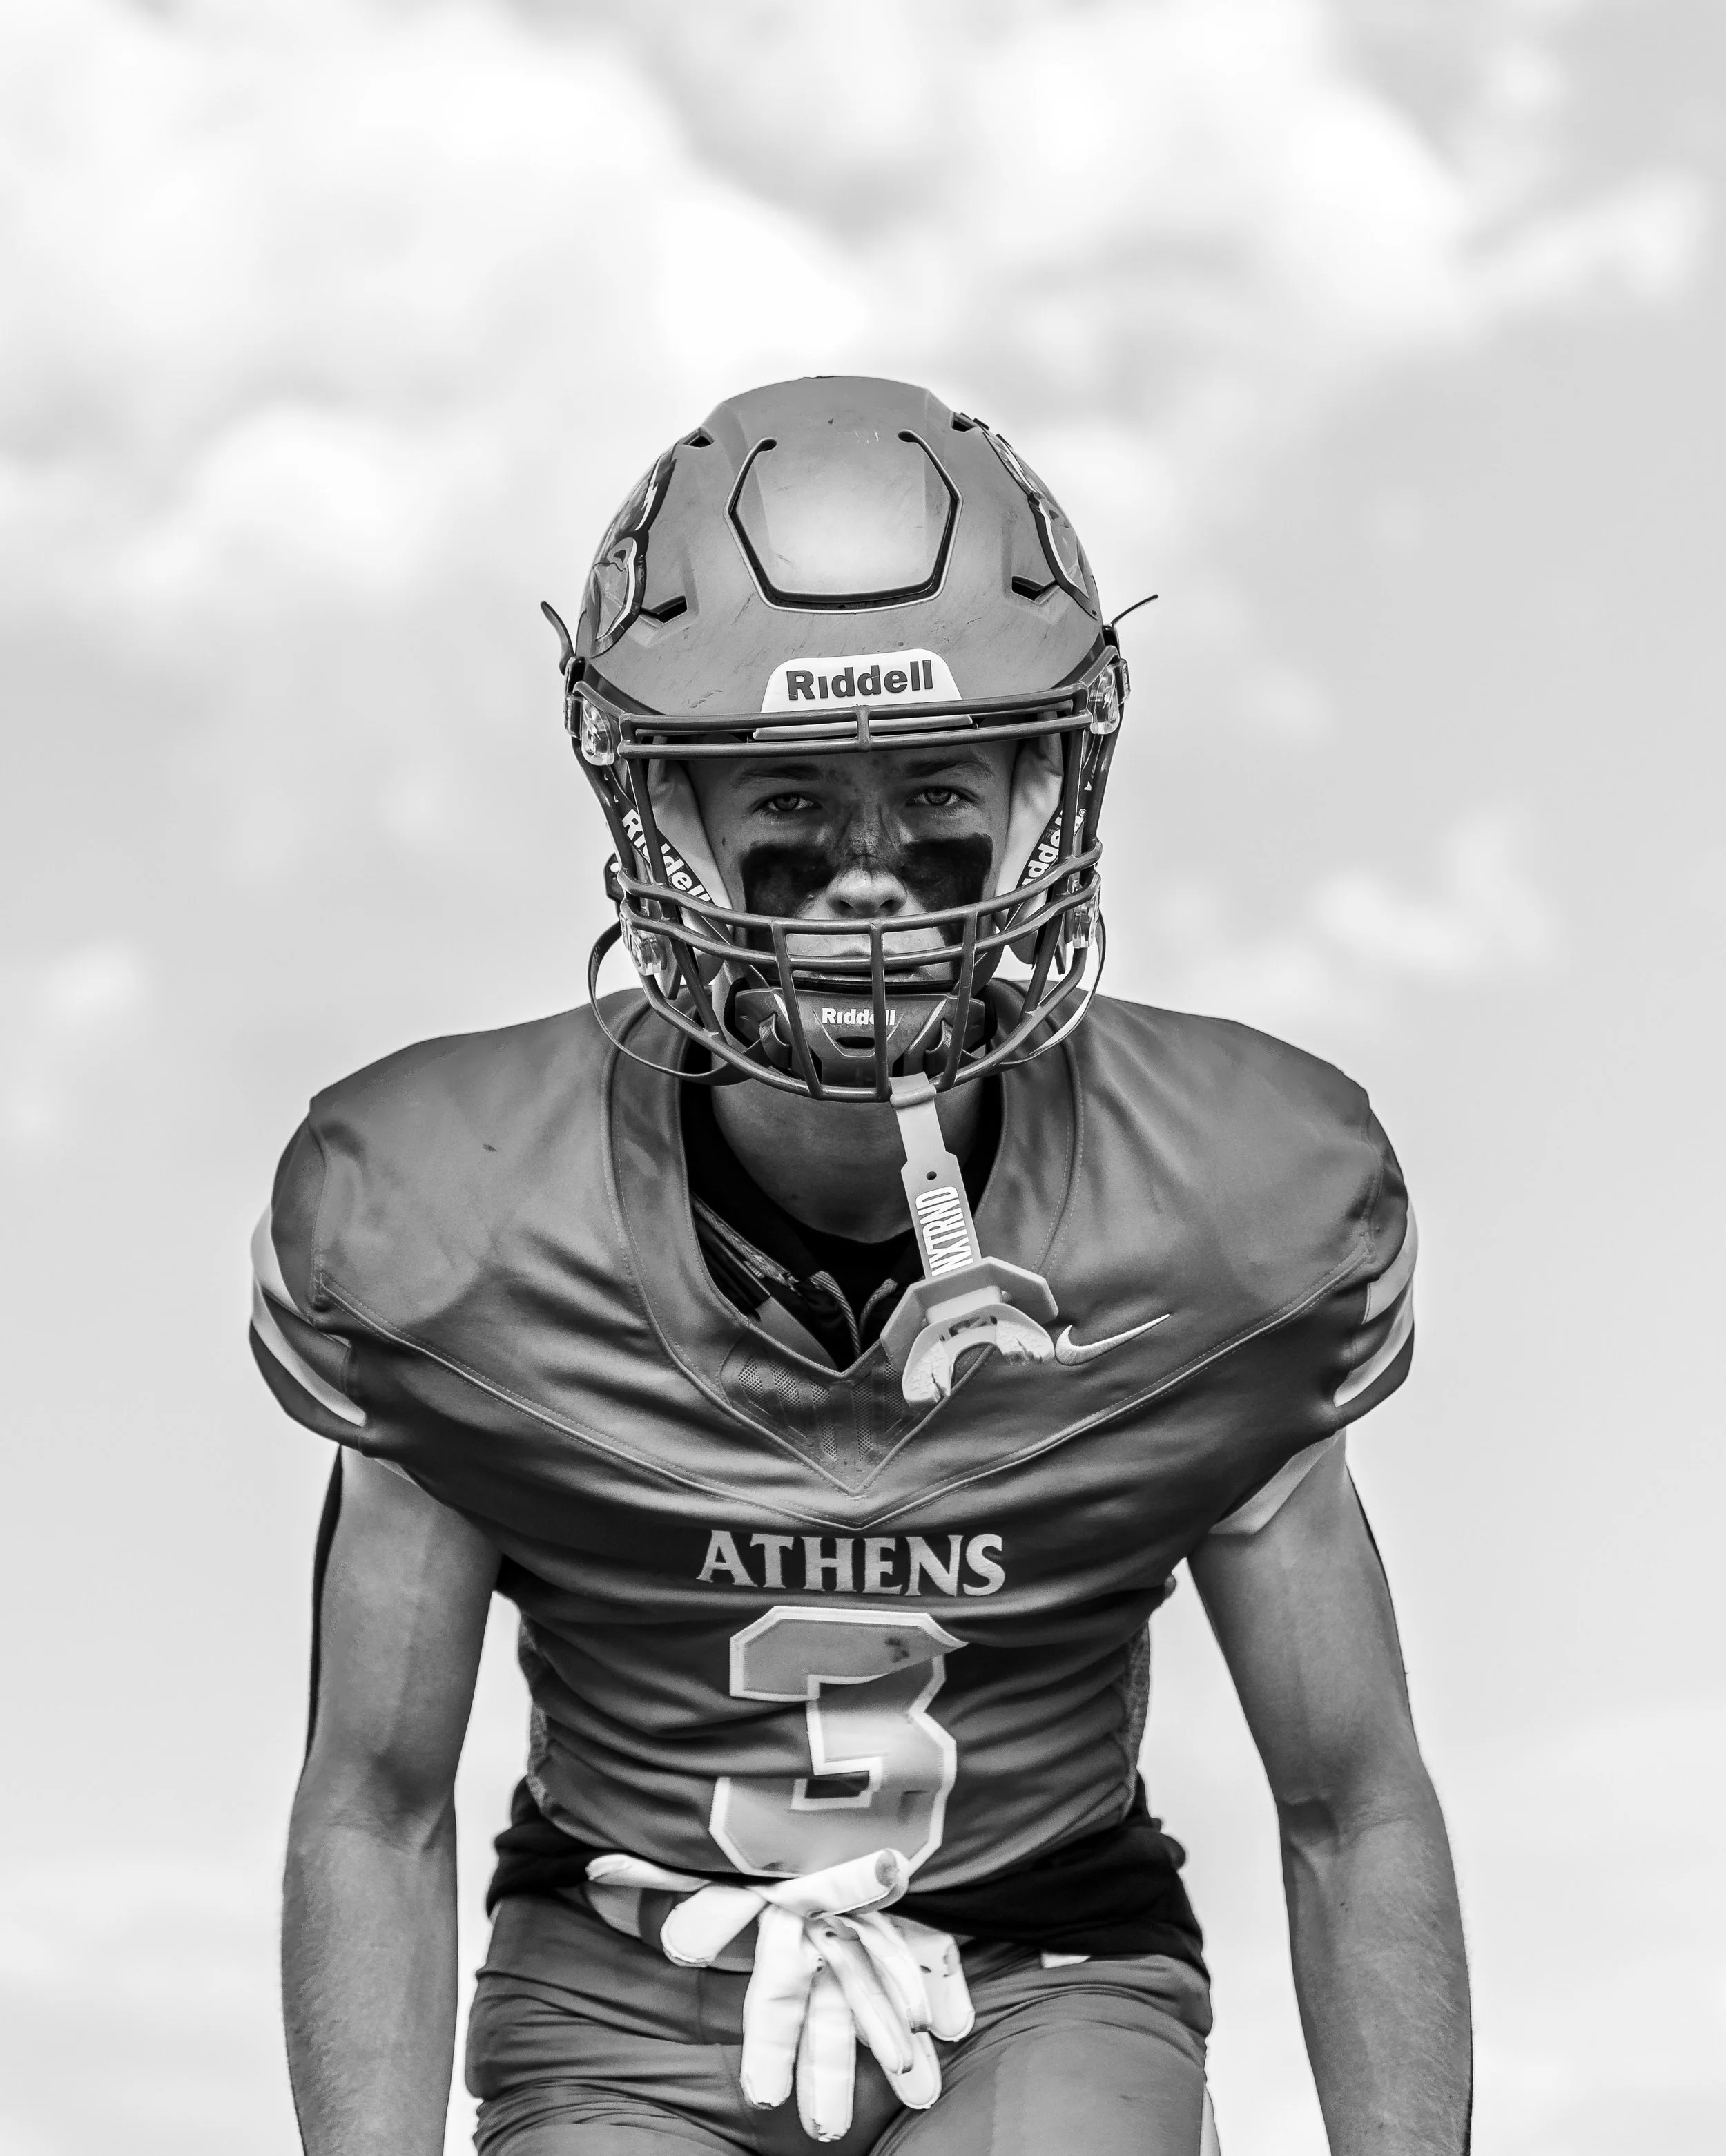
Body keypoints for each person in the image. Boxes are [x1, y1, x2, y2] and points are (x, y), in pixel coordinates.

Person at [253, 376, 1471, 2156]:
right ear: (661, 816)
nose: (873, 883)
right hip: (627, 1982)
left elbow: (1350, 1802)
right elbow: (377, 1803)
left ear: (1050, 790)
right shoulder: (451, 1236)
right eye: (790, 804)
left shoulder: (1230, 1220)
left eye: (940, 794)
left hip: (1042, 1973)